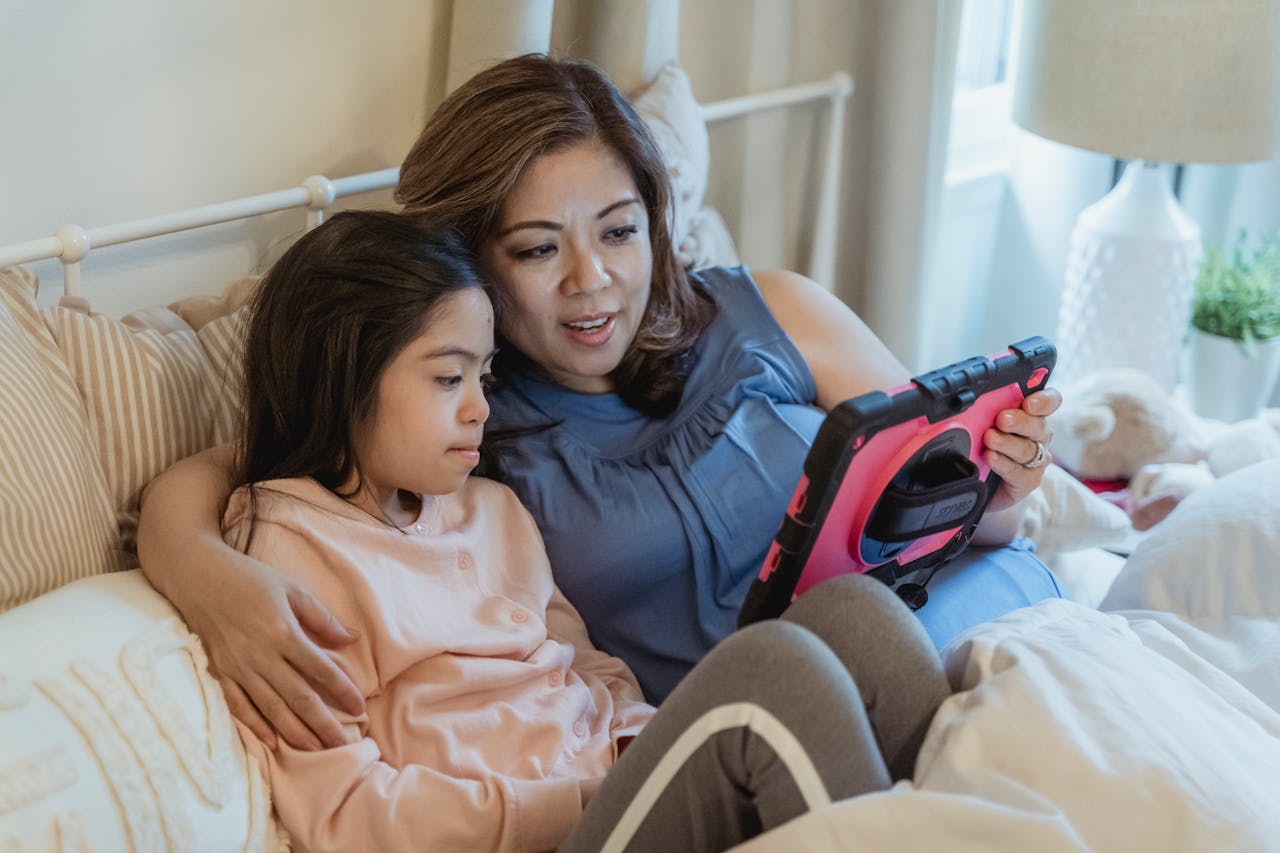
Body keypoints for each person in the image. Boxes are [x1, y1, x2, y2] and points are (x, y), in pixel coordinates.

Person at [137, 54, 1062, 753]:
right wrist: (205, 576)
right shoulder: (461, 420)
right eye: (539, 249)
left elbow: (966, 517)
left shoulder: (771, 308)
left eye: (619, 232)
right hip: (773, 730)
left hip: (972, 623)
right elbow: (232, 465)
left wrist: (1004, 486)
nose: (593, 280)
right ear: (472, 263)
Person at [222, 208, 952, 852]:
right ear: (341, 378)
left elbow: (589, 669)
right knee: (772, 672)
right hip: (545, 832)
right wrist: (584, 798)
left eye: (484, 377)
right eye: (448, 379)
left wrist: (647, 749)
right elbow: (344, 817)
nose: (480, 408)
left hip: (619, 791)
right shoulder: (290, 549)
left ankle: (957, 827)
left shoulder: (493, 511)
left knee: (857, 616)